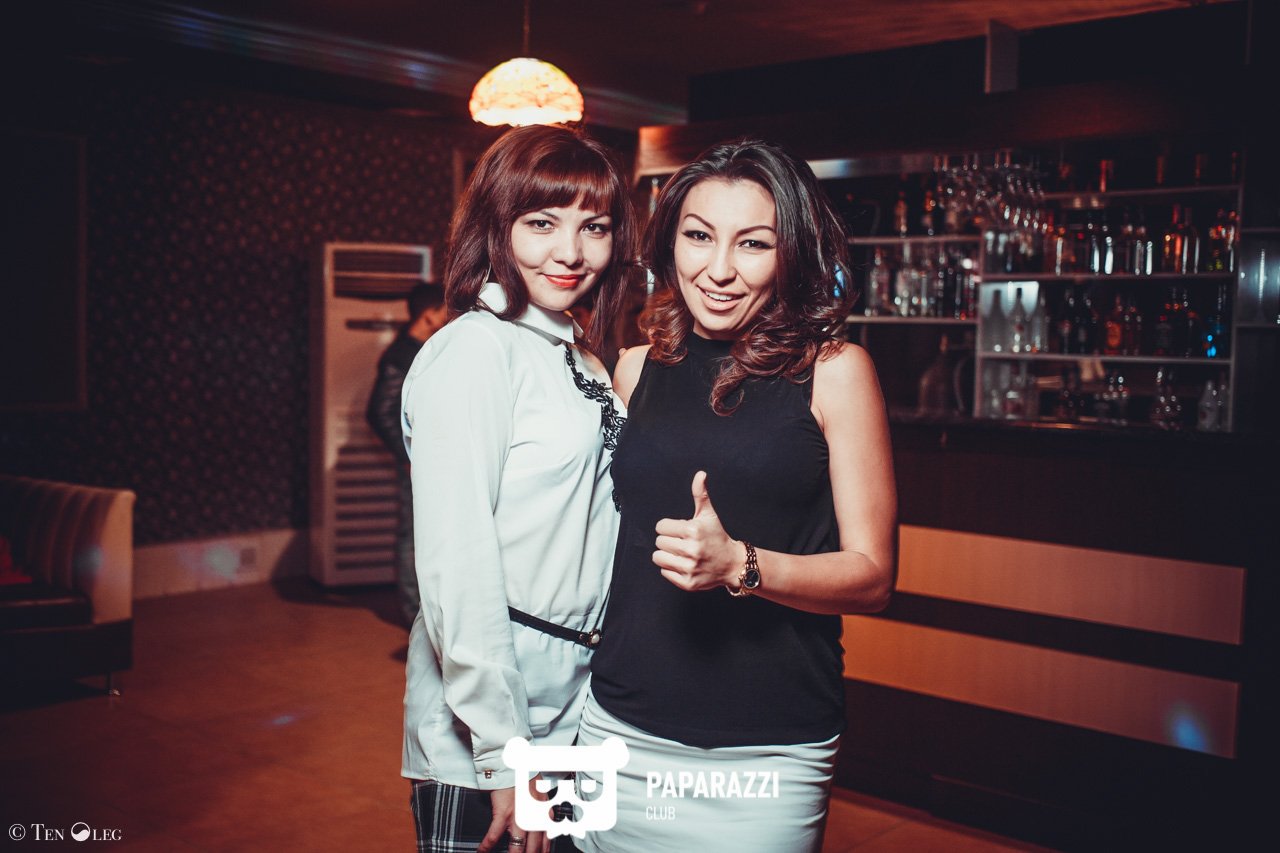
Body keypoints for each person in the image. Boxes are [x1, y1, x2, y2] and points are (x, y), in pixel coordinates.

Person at [577, 138, 898, 852]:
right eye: (698, 236)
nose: (718, 269)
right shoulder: (634, 369)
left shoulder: (836, 371)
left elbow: (874, 577)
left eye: (753, 243)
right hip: (617, 725)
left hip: (767, 748)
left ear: (793, 254)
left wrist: (739, 565)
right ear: (669, 244)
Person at [399, 124, 638, 853]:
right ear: (495, 225)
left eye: (594, 227)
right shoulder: (474, 350)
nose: (570, 252)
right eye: (541, 223)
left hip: (579, 704)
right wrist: (505, 753)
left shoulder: (577, 351)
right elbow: (457, 564)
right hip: (492, 723)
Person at [366, 282, 447, 628]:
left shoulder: (426, 349)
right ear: (429, 315)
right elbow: (378, 411)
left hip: (432, 460)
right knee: (413, 535)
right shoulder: (401, 355)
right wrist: (408, 455)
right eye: (445, 311)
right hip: (417, 463)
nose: (449, 318)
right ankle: (414, 612)